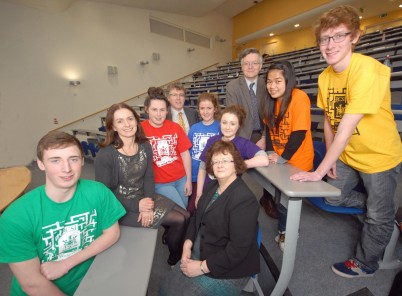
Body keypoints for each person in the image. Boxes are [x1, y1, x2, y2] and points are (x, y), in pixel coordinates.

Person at [291, 5, 402, 278]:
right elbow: (330, 121)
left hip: (379, 157)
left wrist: (318, 170)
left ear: (355, 37)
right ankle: (387, 214)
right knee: (335, 196)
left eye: (339, 36)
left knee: (377, 217)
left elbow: (347, 126)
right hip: (347, 154)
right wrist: (332, 158)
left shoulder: (368, 70)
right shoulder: (324, 77)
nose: (330, 45)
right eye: (325, 38)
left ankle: (367, 262)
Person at [0, 131, 126, 295]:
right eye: (55, 160)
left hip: (89, 281)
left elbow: (112, 233)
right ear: (41, 164)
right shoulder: (15, 218)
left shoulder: (98, 192)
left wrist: (66, 264)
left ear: (81, 161)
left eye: (73, 159)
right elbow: (32, 284)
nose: (66, 169)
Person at [160, 140, 260, 296]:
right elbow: (195, 218)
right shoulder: (212, 186)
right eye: (215, 161)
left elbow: (238, 250)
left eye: (225, 160)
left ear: (236, 164)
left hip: (229, 267)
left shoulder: (244, 199)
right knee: (166, 289)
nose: (220, 165)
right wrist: (187, 245)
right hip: (204, 249)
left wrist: (201, 267)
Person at [94, 103, 189, 266]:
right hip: (122, 206)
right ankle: (175, 260)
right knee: (179, 220)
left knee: (186, 216)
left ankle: (172, 242)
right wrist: (138, 206)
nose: (127, 124)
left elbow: (148, 176)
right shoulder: (106, 155)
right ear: (113, 126)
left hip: (144, 197)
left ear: (136, 121)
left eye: (130, 119)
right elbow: (105, 194)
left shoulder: (145, 145)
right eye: (120, 121)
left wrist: (148, 203)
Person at [260, 61, 314, 251]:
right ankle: (285, 229)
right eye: (269, 81)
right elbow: (270, 132)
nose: (272, 86)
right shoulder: (269, 101)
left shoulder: (299, 97)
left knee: (287, 203)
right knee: (278, 199)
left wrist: (282, 158)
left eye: (277, 81)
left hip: (298, 161)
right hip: (281, 159)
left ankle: (289, 232)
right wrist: (270, 153)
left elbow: (299, 133)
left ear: (288, 81)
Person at [195, 104, 269, 202]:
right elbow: (202, 167)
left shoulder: (243, 144)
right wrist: (199, 194)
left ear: (239, 125)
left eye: (232, 124)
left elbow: (264, 159)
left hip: (227, 193)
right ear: (220, 123)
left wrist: (238, 165)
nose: (227, 127)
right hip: (208, 189)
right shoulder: (212, 140)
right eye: (224, 122)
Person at [141, 87, 193, 209]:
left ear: (167, 111)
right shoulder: (140, 130)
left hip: (181, 179)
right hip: (160, 183)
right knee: (182, 212)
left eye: (162, 110)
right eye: (154, 110)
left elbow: (185, 154)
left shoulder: (175, 127)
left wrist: (189, 180)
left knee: (183, 213)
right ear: (146, 110)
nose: (158, 114)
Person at [187, 93, 221, 215]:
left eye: (209, 108)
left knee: (207, 206)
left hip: (211, 176)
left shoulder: (220, 127)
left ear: (215, 109)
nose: (205, 112)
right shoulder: (194, 128)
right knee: (192, 207)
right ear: (198, 110)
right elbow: (189, 151)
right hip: (195, 173)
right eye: (202, 108)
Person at [225, 48, 267, 146]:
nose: (250, 67)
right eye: (246, 63)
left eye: (255, 63)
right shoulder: (232, 86)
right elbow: (233, 116)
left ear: (260, 66)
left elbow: (271, 114)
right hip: (241, 136)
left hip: (265, 135)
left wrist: (264, 137)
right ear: (241, 66)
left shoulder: (267, 84)